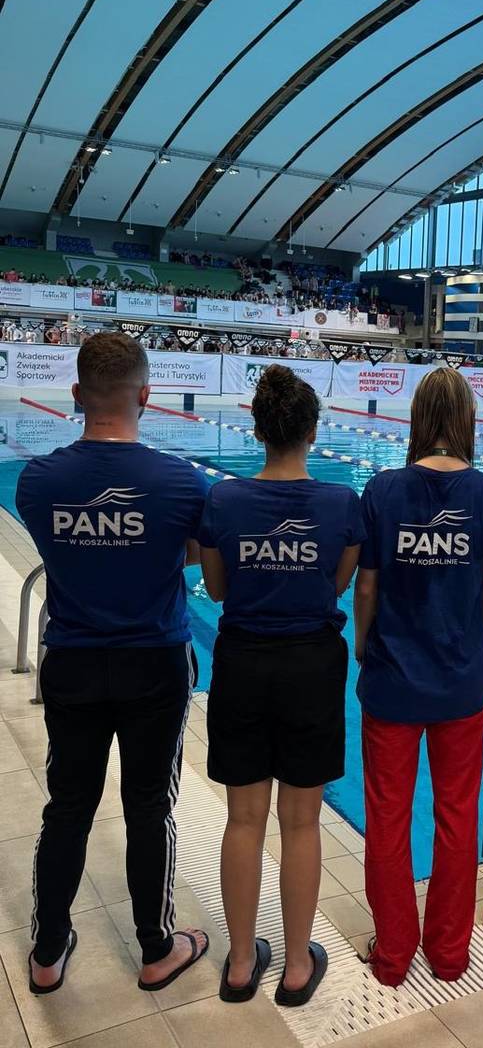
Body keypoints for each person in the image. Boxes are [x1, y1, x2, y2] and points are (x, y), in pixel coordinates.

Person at [15, 333, 211, 994]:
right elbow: (192, 551)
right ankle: (156, 948)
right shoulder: (182, 482)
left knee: (68, 806)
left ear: (76, 395)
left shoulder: (38, 481)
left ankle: (47, 953)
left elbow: (62, 550)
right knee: (149, 806)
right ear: (146, 396)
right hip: (155, 663)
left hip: (72, 661)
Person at [354, 368, 483, 987]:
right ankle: (450, 954)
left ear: (418, 418)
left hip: (392, 681)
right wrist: (471, 642)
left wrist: (364, 645)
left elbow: (367, 586)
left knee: (388, 817)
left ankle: (394, 954)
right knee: (457, 818)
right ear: (468, 422)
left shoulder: (382, 491)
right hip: (460, 682)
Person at [197, 365, 363, 1005]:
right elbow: (337, 584)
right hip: (311, 667)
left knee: (244, 819)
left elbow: (216, 589)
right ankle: (296, 966)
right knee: (301, 822)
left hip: (242, 662)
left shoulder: (224, 501)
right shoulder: (342, 505)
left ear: (258, 431)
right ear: (313, 432)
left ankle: (241, 965)